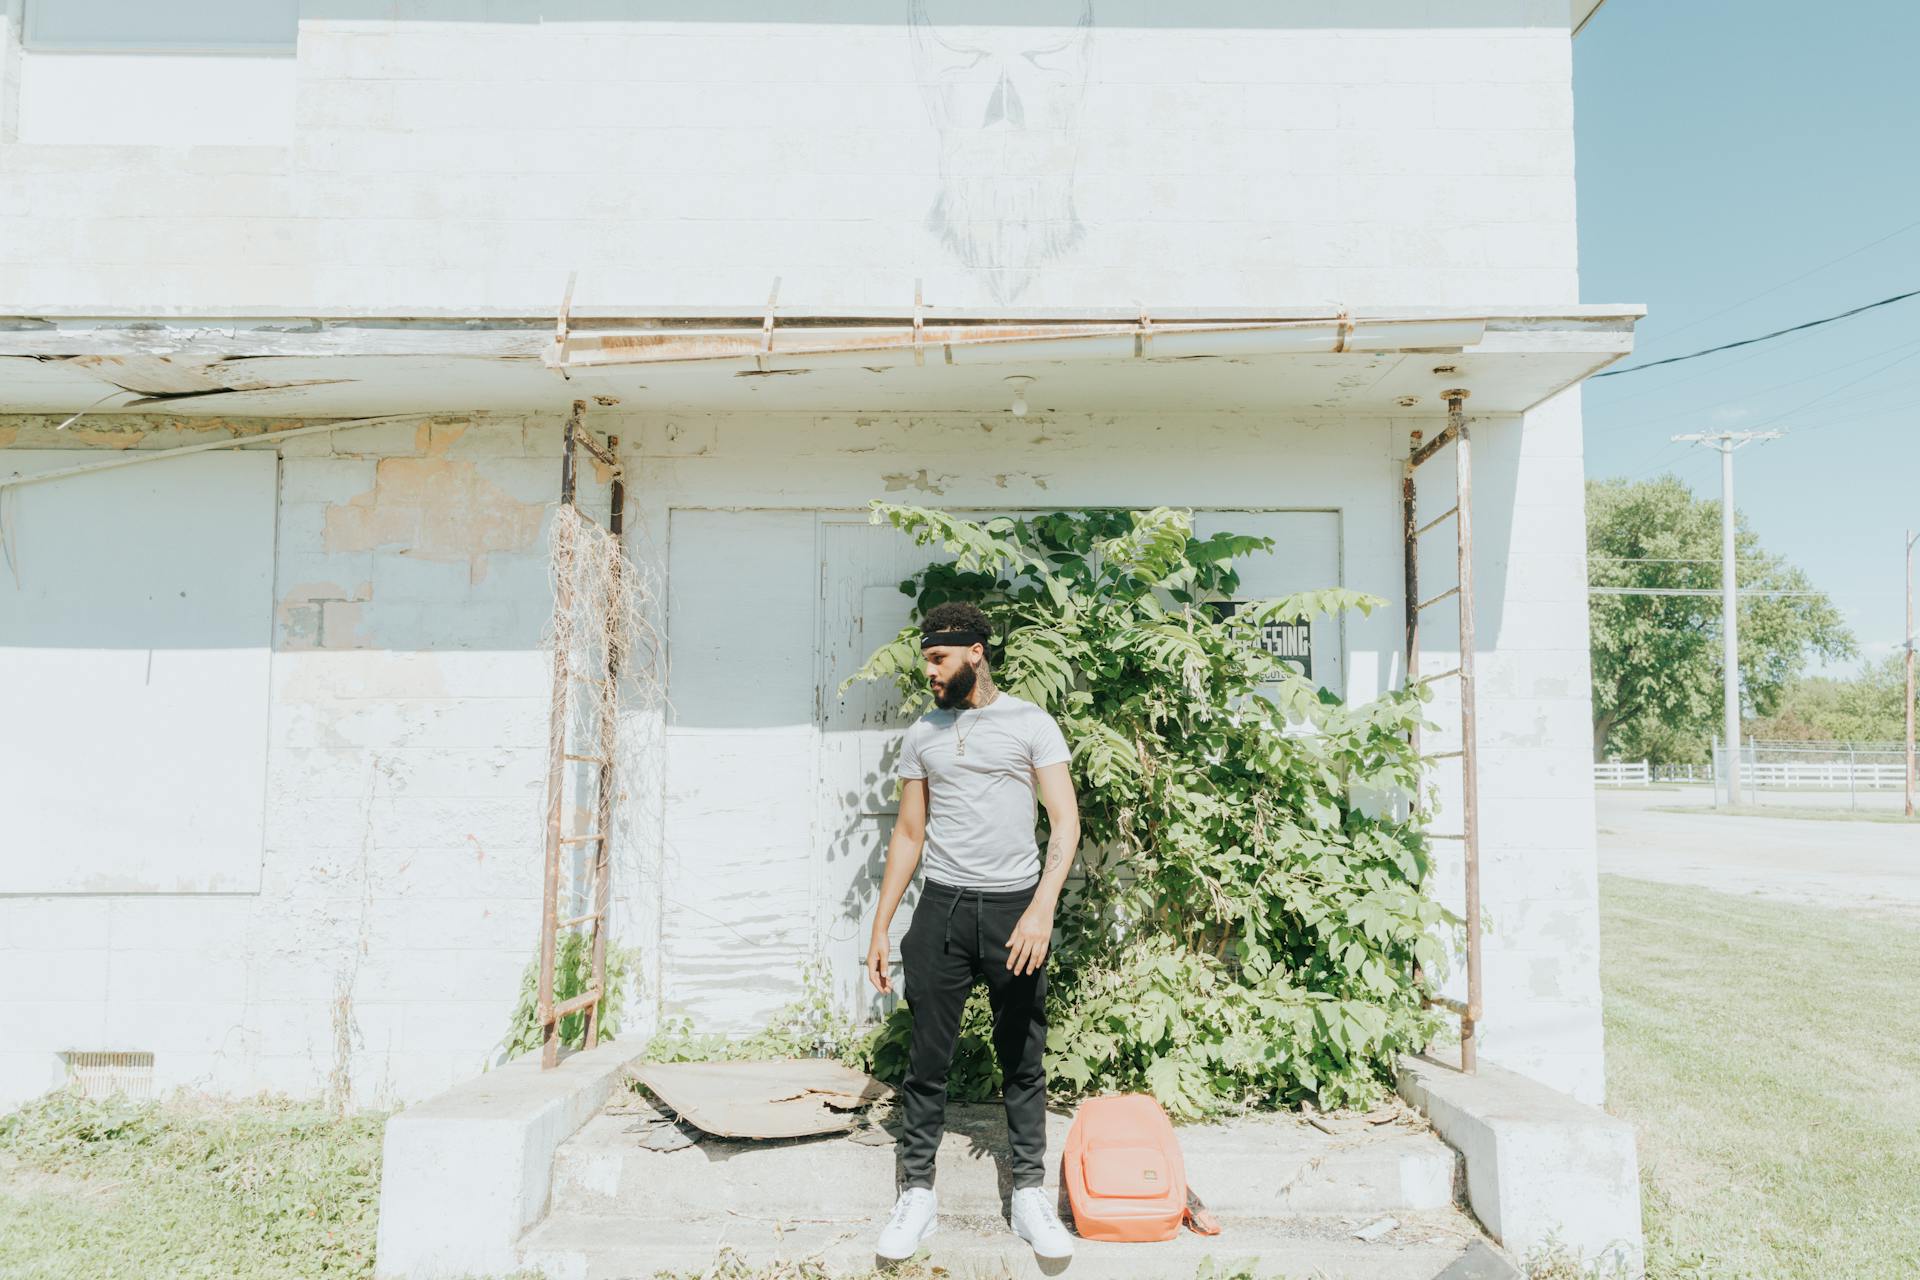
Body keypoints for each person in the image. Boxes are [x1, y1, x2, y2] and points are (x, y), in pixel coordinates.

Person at [866, 601, 1081, 1263]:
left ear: (975, 652)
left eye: (939, 659)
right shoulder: (923, 734)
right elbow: (908, 834)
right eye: (926, 659)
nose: (929, 671)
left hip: (1016, 907)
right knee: (927, 1059)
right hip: (944, 910)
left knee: (1022, 1056)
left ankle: (1028, 1195)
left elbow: (1066, 823)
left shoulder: (1029, 722)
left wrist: (1042, 908)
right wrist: (881, 926)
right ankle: (918, 1194)